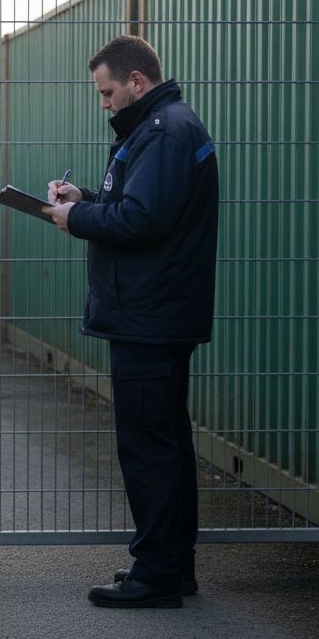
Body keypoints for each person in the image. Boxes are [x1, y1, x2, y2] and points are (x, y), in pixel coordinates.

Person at [43, 35, 219, 609]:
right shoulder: (161, 129)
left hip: (149, 315)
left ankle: (157, 574)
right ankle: (171, 565)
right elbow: (138, 208)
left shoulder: (164, 133)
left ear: (136, 82)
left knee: (149, 449)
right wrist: (83, 200)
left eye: (107, 92)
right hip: (157, 312)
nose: (104, 104)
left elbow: (142, 221)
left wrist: (76, 218)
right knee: (165, 444)